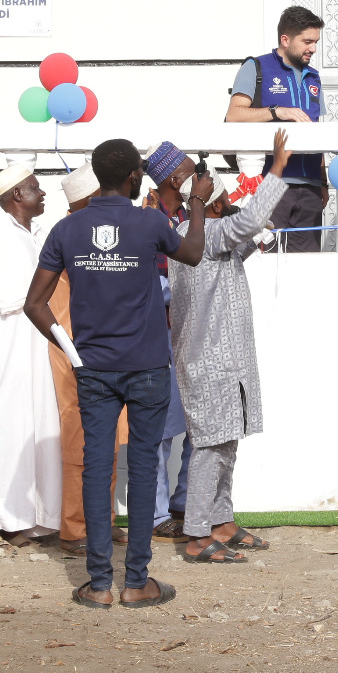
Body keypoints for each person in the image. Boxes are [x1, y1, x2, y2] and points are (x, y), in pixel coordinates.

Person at [24, 138, 211, 610]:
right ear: (132, 178)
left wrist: (71, 349)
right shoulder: (149, 222)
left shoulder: (68, 229)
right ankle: (137, 583)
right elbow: (191, 252)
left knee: (97, 466)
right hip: (146, 367)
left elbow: (34, 303)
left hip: (94, 370)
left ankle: (99, 584)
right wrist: (197, 203)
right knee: (144, 468)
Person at [169, 129, 294, 563]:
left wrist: (254, 245)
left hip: (226, 361)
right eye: (223, 203)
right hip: (210, 361)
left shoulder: (200, 237)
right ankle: (198, 535)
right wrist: (275, 170)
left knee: (225, 444)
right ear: (215, 204)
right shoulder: (198, 229)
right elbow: (241, 226)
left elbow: (226, 260)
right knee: (209, 448)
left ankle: (220, 521)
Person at [0, 165, 61, 553]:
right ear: (16, 195)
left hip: (34, 349)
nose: (43, 193)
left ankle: (21, 522)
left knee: (27, 432)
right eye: (35, 188)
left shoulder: (38, 236)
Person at [45, 164, 130, 556]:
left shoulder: (97, 231)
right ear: (84, 201)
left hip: (108, 347)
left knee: (108, 438)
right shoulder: (68, 234)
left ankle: (103, 521)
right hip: (74, 349)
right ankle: (74, 529)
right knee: (81, 440)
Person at [225, 5, 328, 252]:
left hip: (310, 187)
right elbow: (234, 115)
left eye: (315, 42)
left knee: (306, 268)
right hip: (270, 183)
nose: (313, 48)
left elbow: (316, 129)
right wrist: (276, 112)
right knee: (264, 260)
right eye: (307, 42)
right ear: (285, 39)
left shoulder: (313, 76)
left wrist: (323, 182)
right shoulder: (256, 67)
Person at [143, 142, 201, 542]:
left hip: (190, 334)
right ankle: (157, 513)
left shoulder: (186, 214)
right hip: (159, 336)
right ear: (174, 180)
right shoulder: (148, 218)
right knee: (161, 431)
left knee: (201, 424)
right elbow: (149, 282)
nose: (199, 178)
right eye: (191, 171)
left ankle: (185, 501)